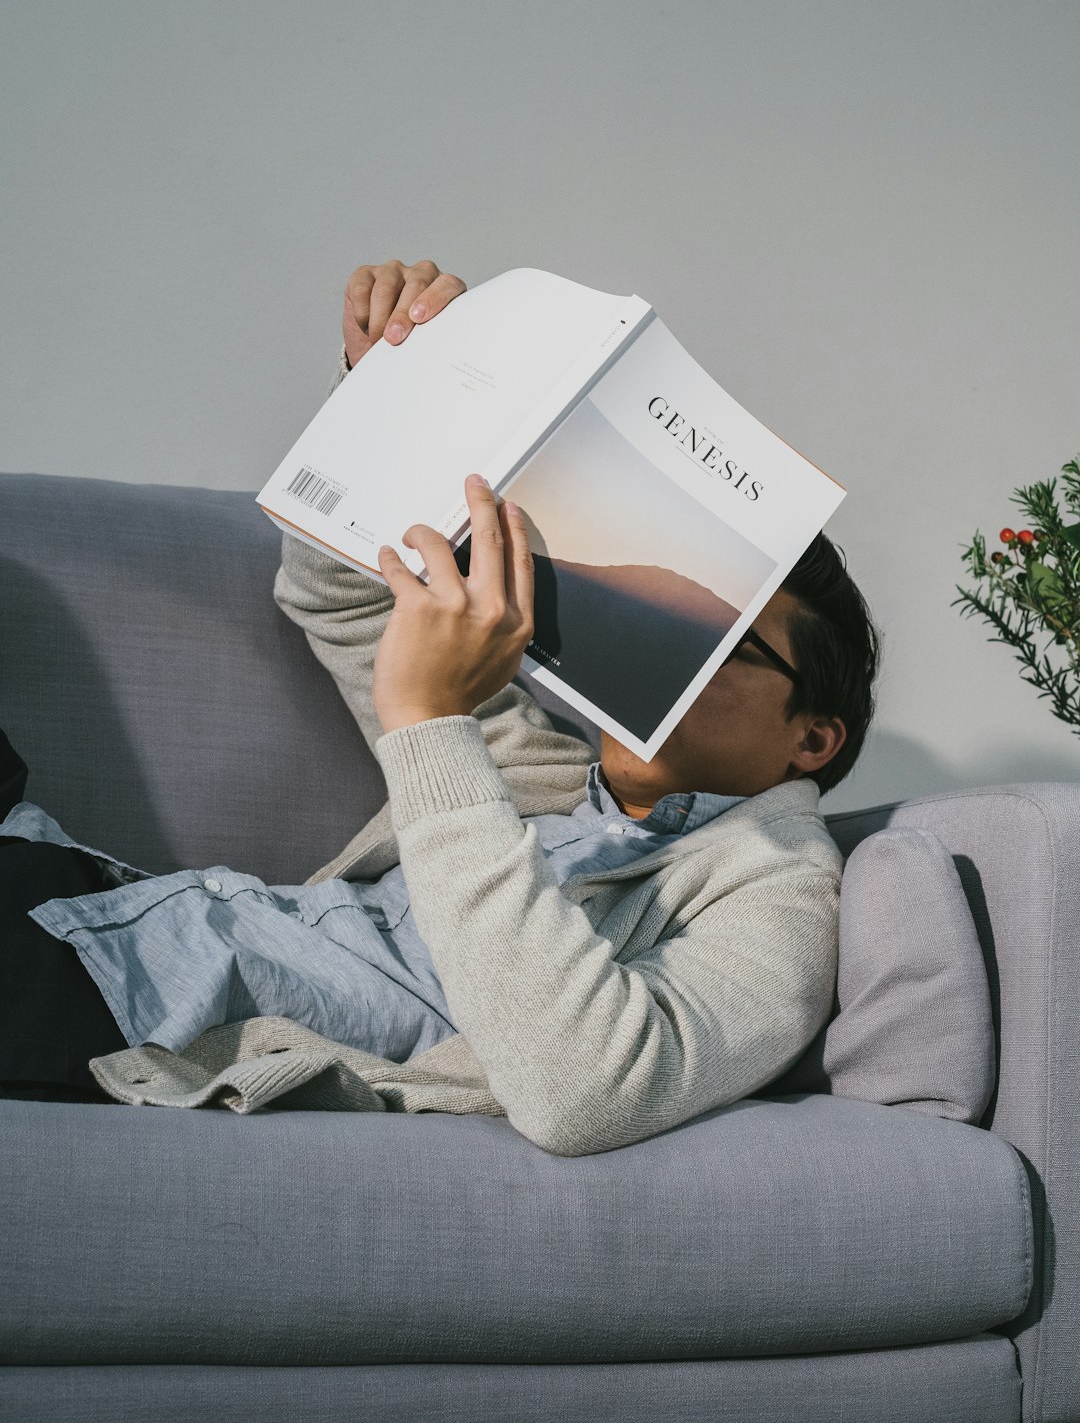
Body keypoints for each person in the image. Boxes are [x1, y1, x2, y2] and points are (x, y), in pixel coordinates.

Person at [0, 259, 881, 1155]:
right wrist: (393, 393)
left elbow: (588, 1092)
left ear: (812, 738)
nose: (665, 663)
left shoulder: (779, 891)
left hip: (114, 997)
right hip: (81, 890)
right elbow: (340, 598)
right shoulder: (546, 774)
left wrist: (432, 725)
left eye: (719, 643)